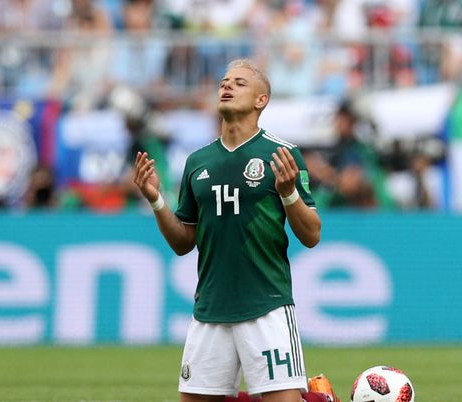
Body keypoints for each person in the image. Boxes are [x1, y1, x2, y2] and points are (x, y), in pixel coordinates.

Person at [133, 59, 322, 402]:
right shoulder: (198, 162)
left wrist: (289, 192)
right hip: (210, 311)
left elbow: (311, 235)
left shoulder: (282, 154)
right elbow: (182, 242)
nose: (226, 86)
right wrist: (156, 200)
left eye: (238, 82)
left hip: (266, 306)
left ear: (260, 100)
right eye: (223, 81)